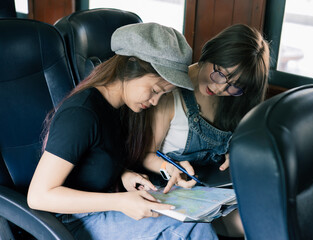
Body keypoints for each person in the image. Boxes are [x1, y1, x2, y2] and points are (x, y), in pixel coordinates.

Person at [27, 22, 219, 240]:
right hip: (70, 222)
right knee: (191, 228)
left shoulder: (121, 109)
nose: (156, 101)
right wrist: (119, 202)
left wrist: (125, 176)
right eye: (155, 90)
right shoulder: (81, 114)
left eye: (162, 95)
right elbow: (39, 196)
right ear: (130, 67)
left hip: (104, 206)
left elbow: (93, 160)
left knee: (195, 217)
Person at [142, 24, 270, 238]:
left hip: (215, 191)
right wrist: (168, 167)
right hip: (173, 189)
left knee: (268, 218)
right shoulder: (170, 91)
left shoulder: (235, 98)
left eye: (234, 86)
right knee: (251, 226)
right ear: (210, 52)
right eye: (220, 73)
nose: (220, 88)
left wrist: (234, 149)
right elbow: (144, 154)